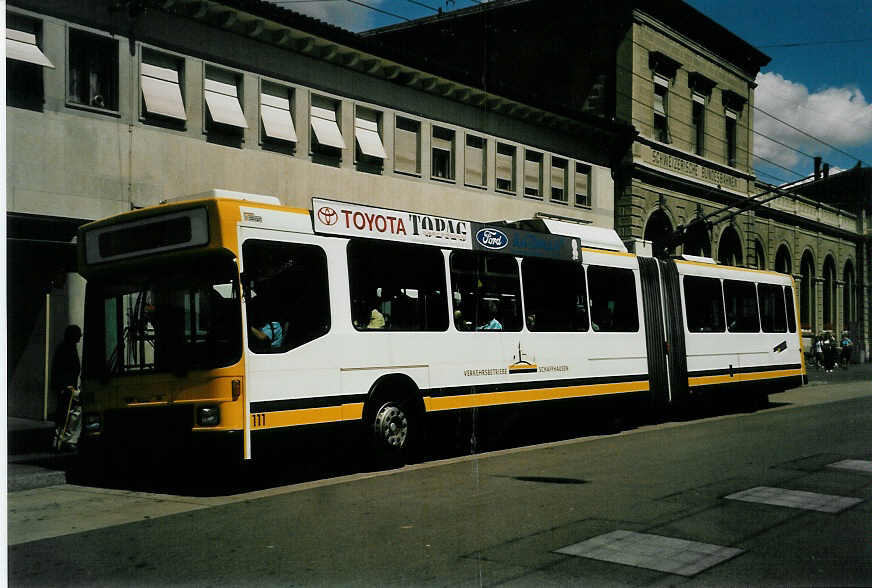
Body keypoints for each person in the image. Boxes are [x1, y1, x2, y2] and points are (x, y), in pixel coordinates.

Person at [51, 324, 82, 451]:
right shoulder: (66, 349)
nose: (79, 338)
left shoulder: (67, 347)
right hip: (67, 387)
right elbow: (60, 369)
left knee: (68, 413)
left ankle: (62, 440)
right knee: (68, 414)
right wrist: (65, 385)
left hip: (68, 386)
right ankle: (63, 441)